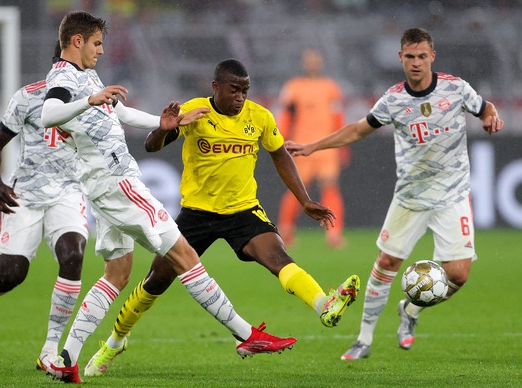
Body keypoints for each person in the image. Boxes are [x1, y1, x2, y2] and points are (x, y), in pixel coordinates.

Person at [40, 11, 297, 383]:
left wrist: (162, 125)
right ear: (76, 41)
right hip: (117, 180)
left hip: (100, 185)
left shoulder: (85, 75)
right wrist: (90, 100)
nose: (101, 50)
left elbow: (120, 111)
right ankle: (246, 335)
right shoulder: (64, 76)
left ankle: (67, 357)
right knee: (184, 255)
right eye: (97, 43)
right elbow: (50, 113)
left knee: (117, 273)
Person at [83, 58, 361, 377]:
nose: (241, 97)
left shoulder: (259, 116)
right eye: (234, 90)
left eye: (245, 90)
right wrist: (164, 128)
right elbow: (151, 145)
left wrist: (306, 200)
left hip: (242, 211)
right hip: (196, 215)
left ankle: (323, 305)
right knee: (156, 280)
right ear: (216, 87)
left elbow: (280, 153)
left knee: (278, 256)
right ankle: (114, 343)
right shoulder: (195, 110)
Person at [285, 27, 504, 360]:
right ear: (400, 57)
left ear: (432, 56)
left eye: (422, 56)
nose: (416, 63)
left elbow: (486, 108)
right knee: (386, 262)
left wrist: (491, 118)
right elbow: (359, 128)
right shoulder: (394, 99)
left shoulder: (456, 88)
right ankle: (364, 339)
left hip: (452, 195)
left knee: (458, 274)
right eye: (410, 57)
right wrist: (314, 146)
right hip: (410, 197)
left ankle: (411, 311)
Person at [0, 44, 88, 369]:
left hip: (68, 193)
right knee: (12, 275)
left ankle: (50, 350)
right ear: (57, 63)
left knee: (73, 254)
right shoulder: (28, 96)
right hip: (25, 195)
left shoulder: (92, 99)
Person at [276, 48, 348, 248]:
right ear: (304, 63)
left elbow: (338, 118)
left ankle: (334, 233)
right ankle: (286, 230)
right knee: (297, 189)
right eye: (309, 61)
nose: (312, 64)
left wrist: (343, 144)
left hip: (326, 147)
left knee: (330, 186)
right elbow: (286, 117)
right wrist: (281, 140)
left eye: (315, 60)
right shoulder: (294, 87)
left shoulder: (330, 87)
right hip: (301, 146)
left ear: (321, 63)